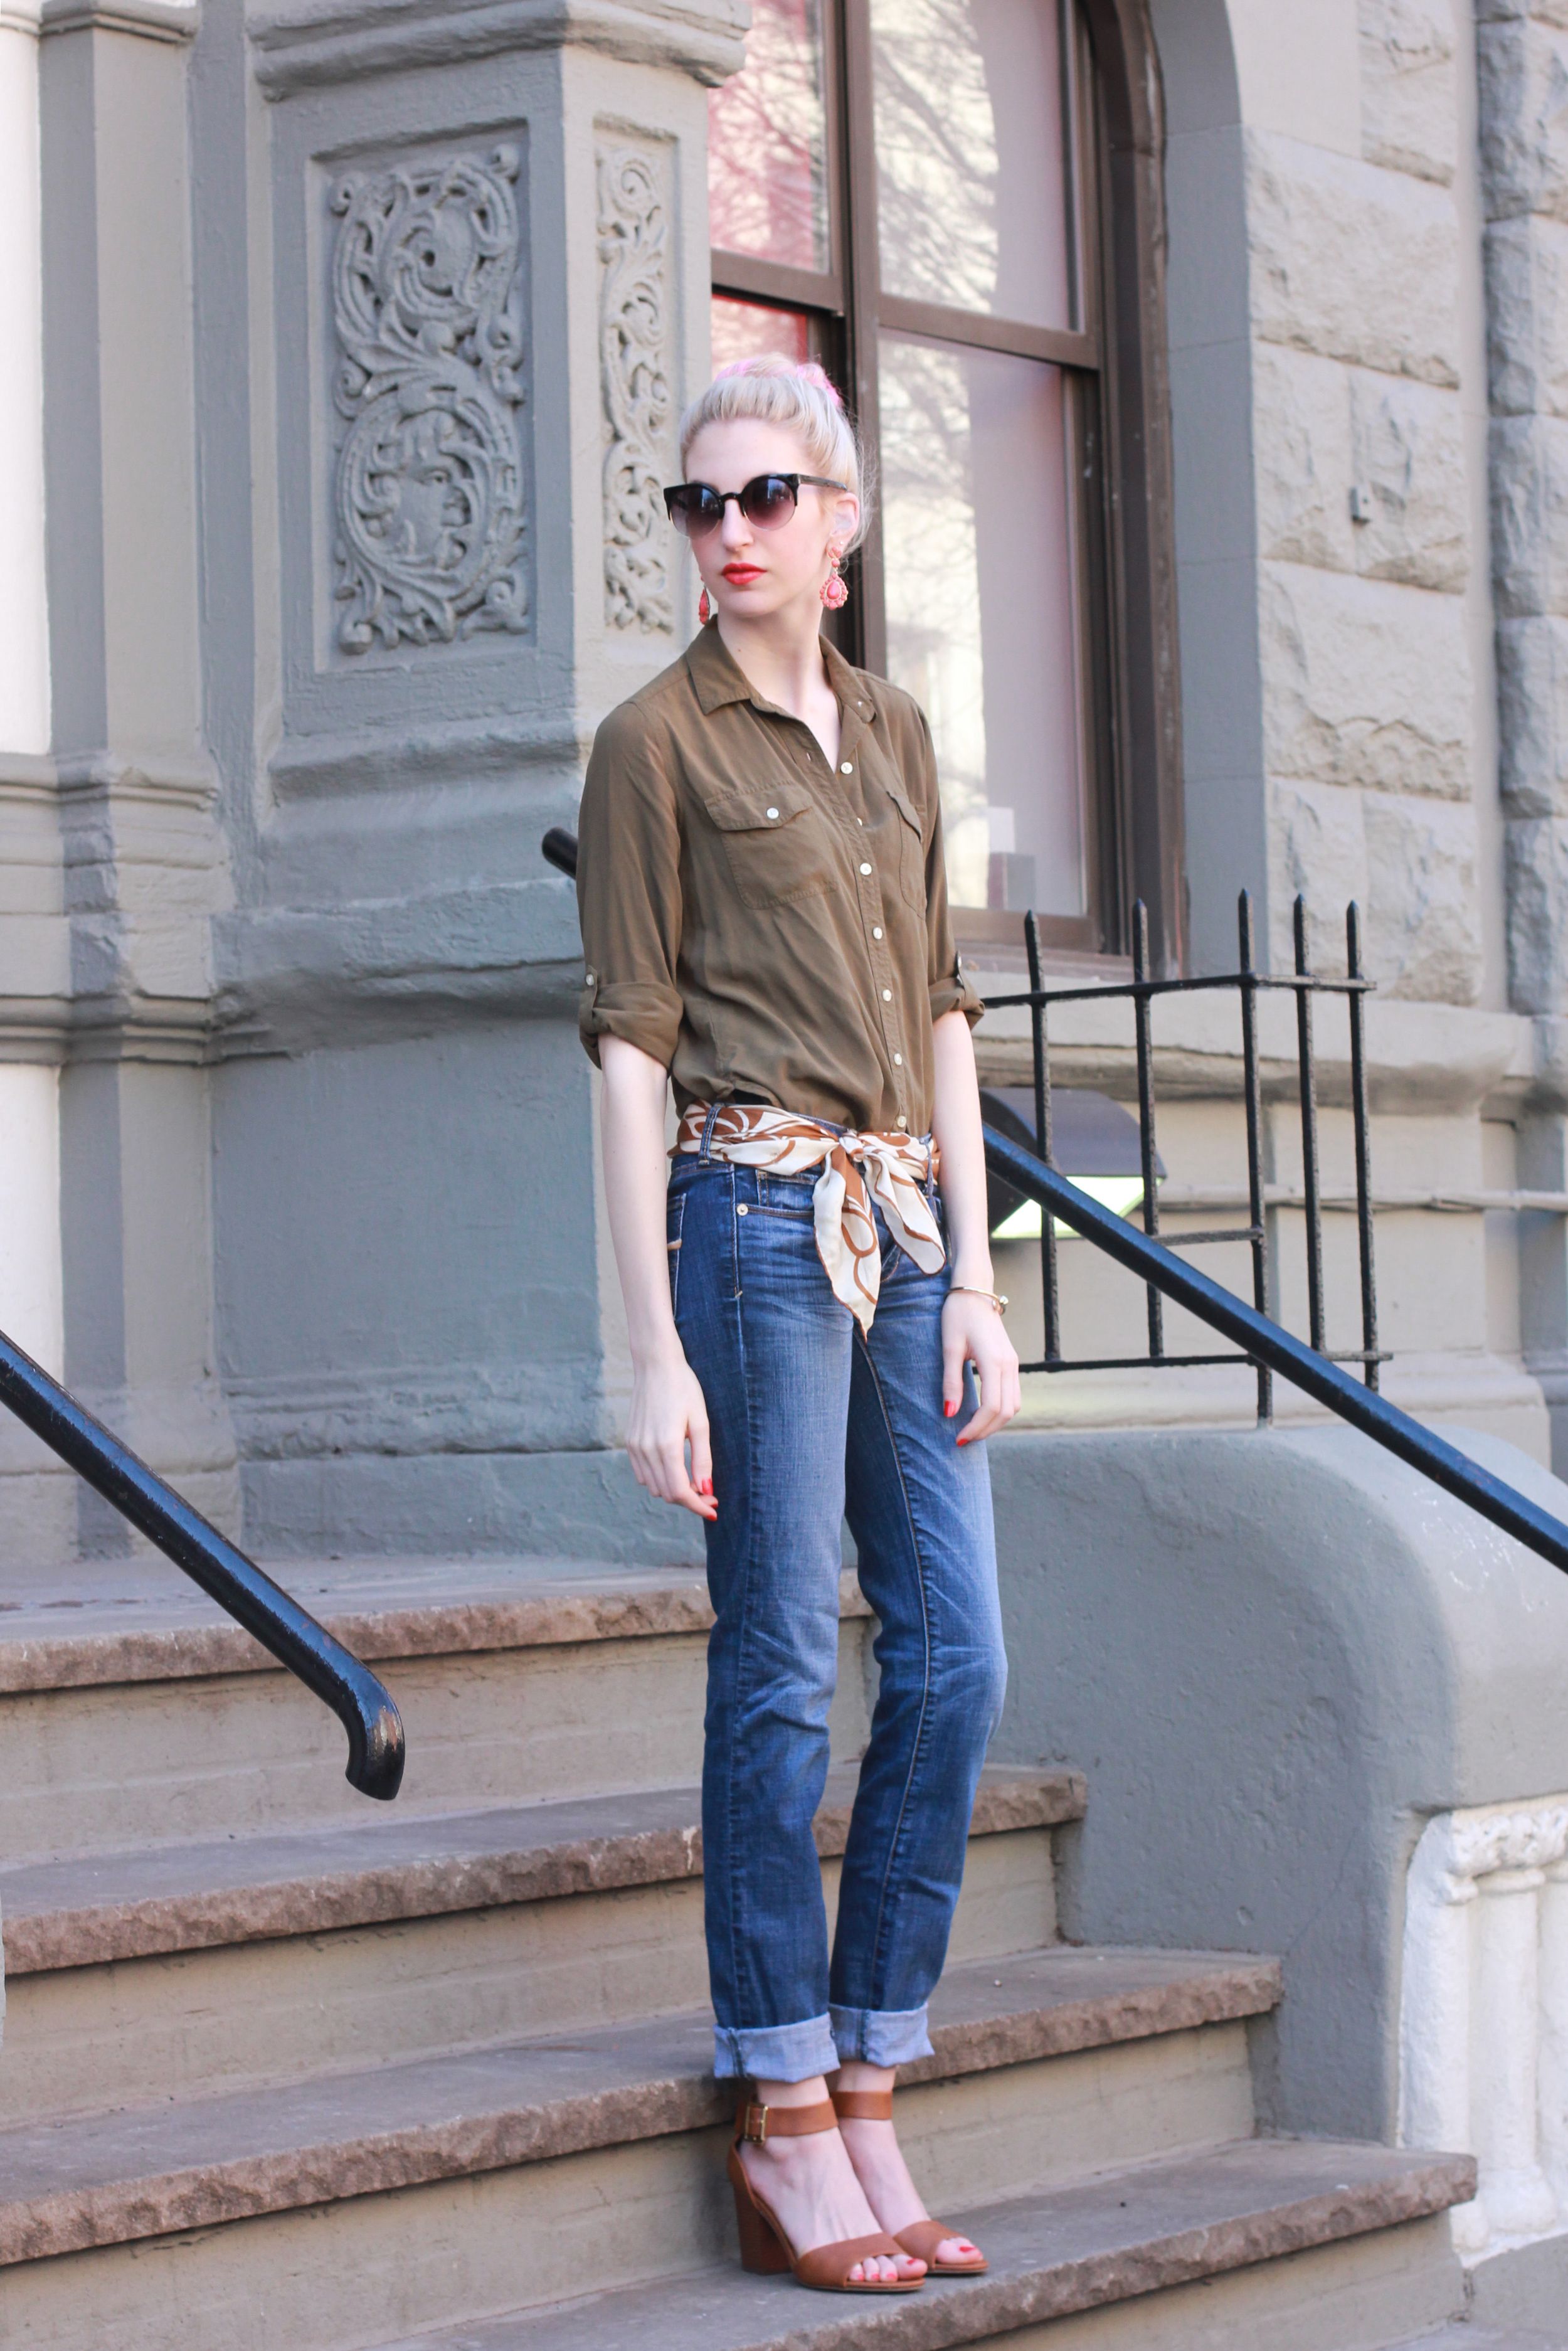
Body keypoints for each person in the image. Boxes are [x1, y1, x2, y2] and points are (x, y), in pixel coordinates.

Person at [576, 353, 1020, 2296]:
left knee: (955, 1658)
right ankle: (781, 2103)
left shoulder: (901, 738)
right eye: (698, 504)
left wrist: (985, 1275)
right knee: (773, 1664)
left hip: (906, 1222)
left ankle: (872, 2064)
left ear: (837, 524)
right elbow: (625, 1054)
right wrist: (644, 1345)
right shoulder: (651, 748)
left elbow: (938, 1012)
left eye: (762, 497)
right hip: (748, 1228)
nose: (726, 531)